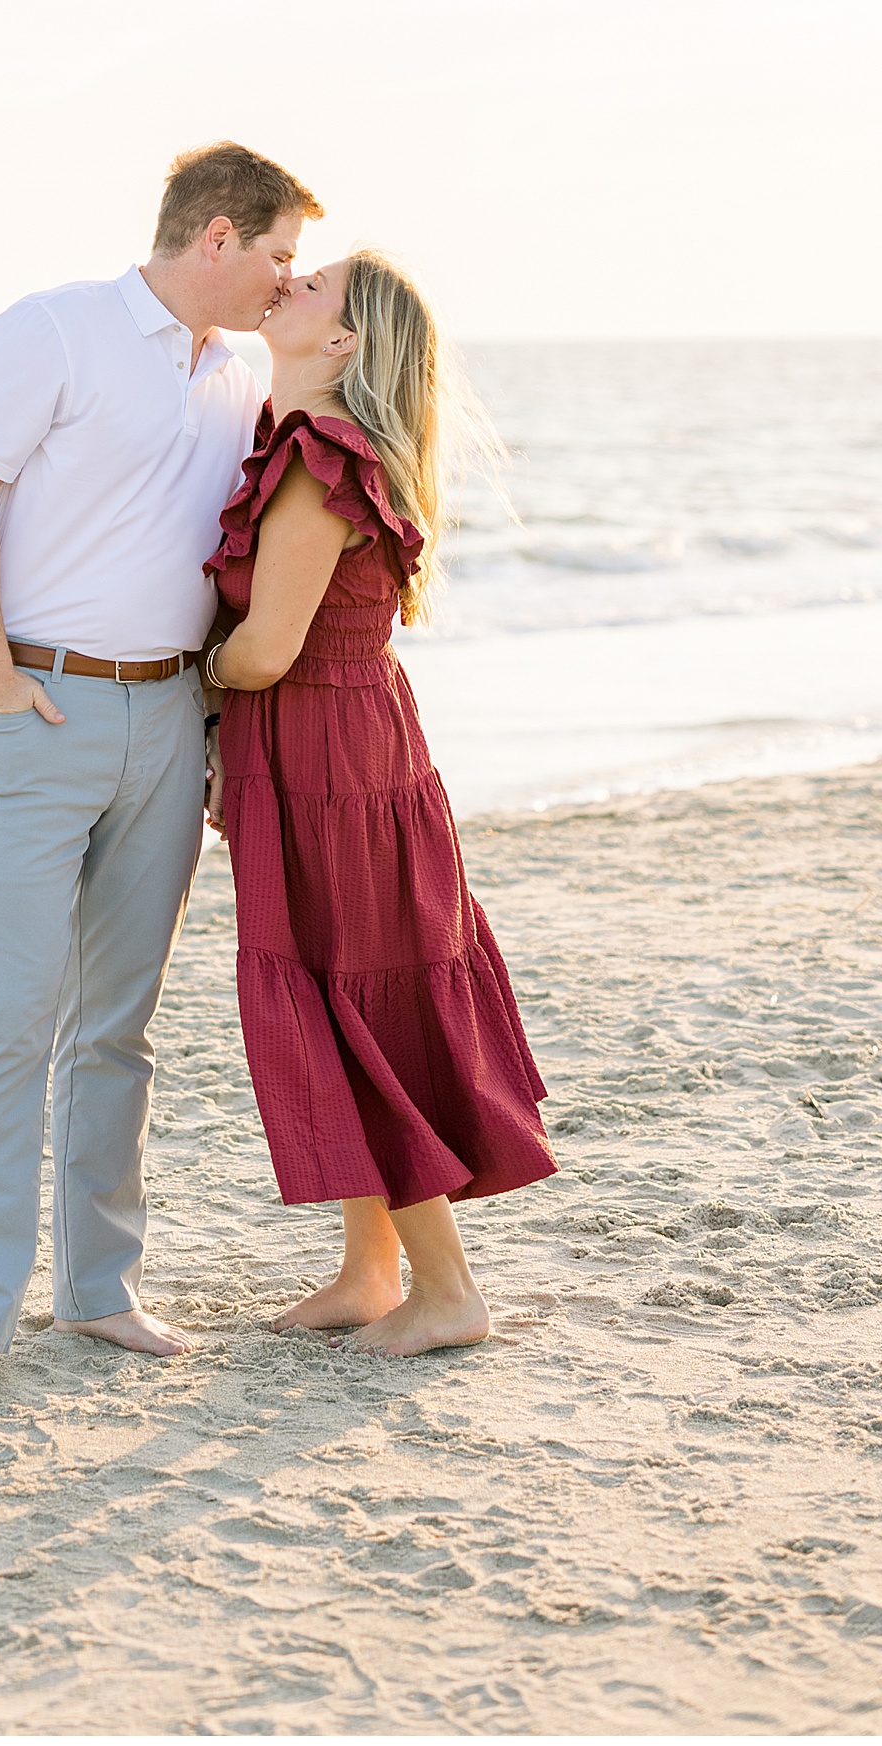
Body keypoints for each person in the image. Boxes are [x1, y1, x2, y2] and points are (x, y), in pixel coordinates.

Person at [0, 142, 325, 1412]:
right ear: (216, 233)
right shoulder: (54, 330)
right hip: (35, 705)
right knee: (6, 1022)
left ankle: (99, 1289)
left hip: (169, 718)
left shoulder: (238, 374)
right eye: (278, 256)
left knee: (115, 1028)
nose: (282, 280)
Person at [202, 249, 557, 1357]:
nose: (290, 280)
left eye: (315, 286)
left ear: (344, 341)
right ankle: (371, 1269)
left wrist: (169, 674)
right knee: (328, 981)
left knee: (358, 997)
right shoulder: (299, 442)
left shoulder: (317, 462)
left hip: (332, 756)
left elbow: (265, 648)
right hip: (338, 744)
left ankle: (447, 1288)